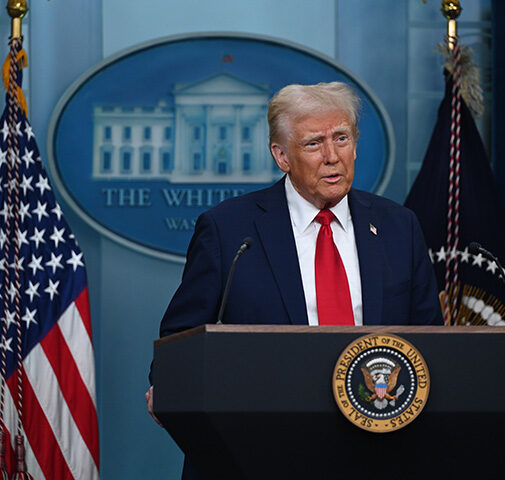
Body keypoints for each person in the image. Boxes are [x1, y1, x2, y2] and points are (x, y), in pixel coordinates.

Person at [146, 81, 443, 477]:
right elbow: (180, 336)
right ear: (281, 156)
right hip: (258, 453)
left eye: (342, 138)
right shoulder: (229, 230)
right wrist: (170, 385)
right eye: (313, 144)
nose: (332, 157)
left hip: (379, 450)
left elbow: (430, 340)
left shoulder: (397, 226)